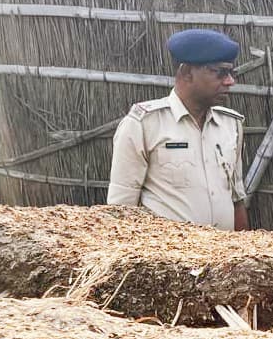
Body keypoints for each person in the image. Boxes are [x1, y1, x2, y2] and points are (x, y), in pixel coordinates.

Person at [107, 29, 249, 231]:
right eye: (220, 72)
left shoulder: (230, 124)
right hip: (166, 251)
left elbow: (237, 198)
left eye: (231, 73)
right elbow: (121, 211)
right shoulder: (143, 124)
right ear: (187, 72)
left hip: (224, 250)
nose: (230, 81)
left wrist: (243, 245)